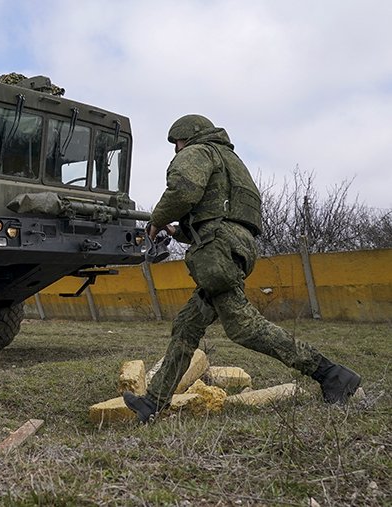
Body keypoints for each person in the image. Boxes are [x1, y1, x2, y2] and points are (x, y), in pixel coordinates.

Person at [123, 114, 362, 423]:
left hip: (218, 251)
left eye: (177, 144)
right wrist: (177, 230)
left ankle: (331, 375)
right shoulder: (230, 161)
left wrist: (156, 221)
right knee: (187, 326)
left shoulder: (198, 152)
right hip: (235, 246)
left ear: (186, 138)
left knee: (245, 327)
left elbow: (182, 190)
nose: (176, 150)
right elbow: (219, 213)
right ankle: (153, 403)